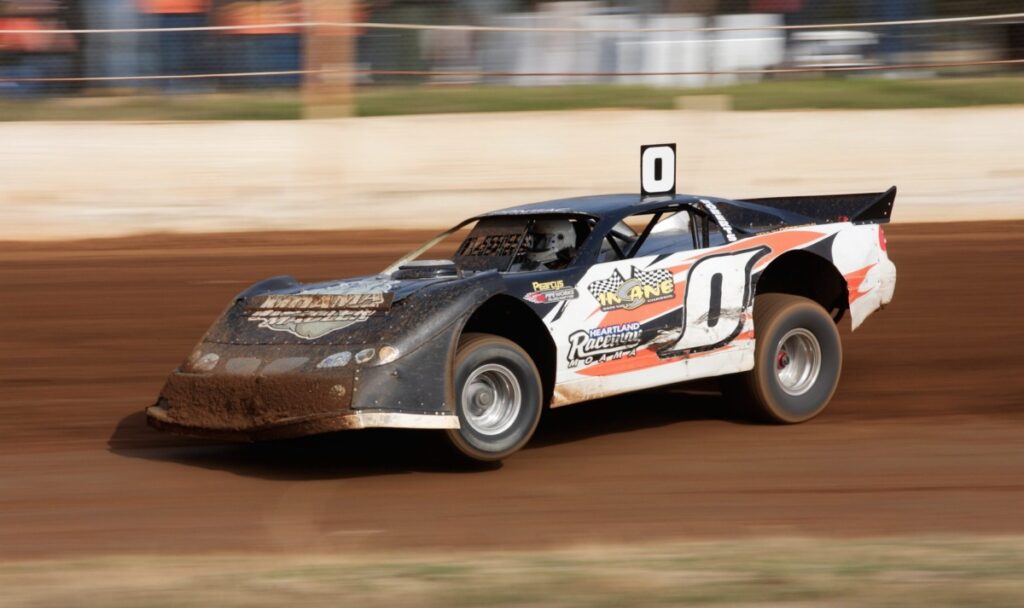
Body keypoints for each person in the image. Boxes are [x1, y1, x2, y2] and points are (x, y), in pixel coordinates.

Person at [137, 0, 212, 91]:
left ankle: (174, 85)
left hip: (181, 10)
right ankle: (174, 85)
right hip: (172, 10)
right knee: (177, 51)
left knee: (177, 51)